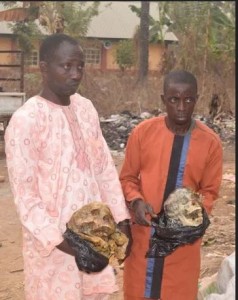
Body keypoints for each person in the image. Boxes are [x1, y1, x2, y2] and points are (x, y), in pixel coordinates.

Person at [4, 33, 131, 300]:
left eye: (80, 66)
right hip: (54, 249)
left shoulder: (86, 109)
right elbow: (27, 199)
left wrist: (121, 221)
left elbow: (104, 168)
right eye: (66, 66)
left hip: (96, 241)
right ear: (43, 68)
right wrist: (69, 245)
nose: (75, 74)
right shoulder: (27, 120)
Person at [119, 70, 223, 300]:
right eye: (174, 99)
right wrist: (135, 201)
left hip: (183, 246)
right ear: (163, 99)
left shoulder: (210, 143)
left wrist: (188, 220)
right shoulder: (143, 133)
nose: (181, 106)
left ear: (196, 99)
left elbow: (209, 192)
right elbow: (127, 178)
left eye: (188, 99)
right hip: (144, 239)